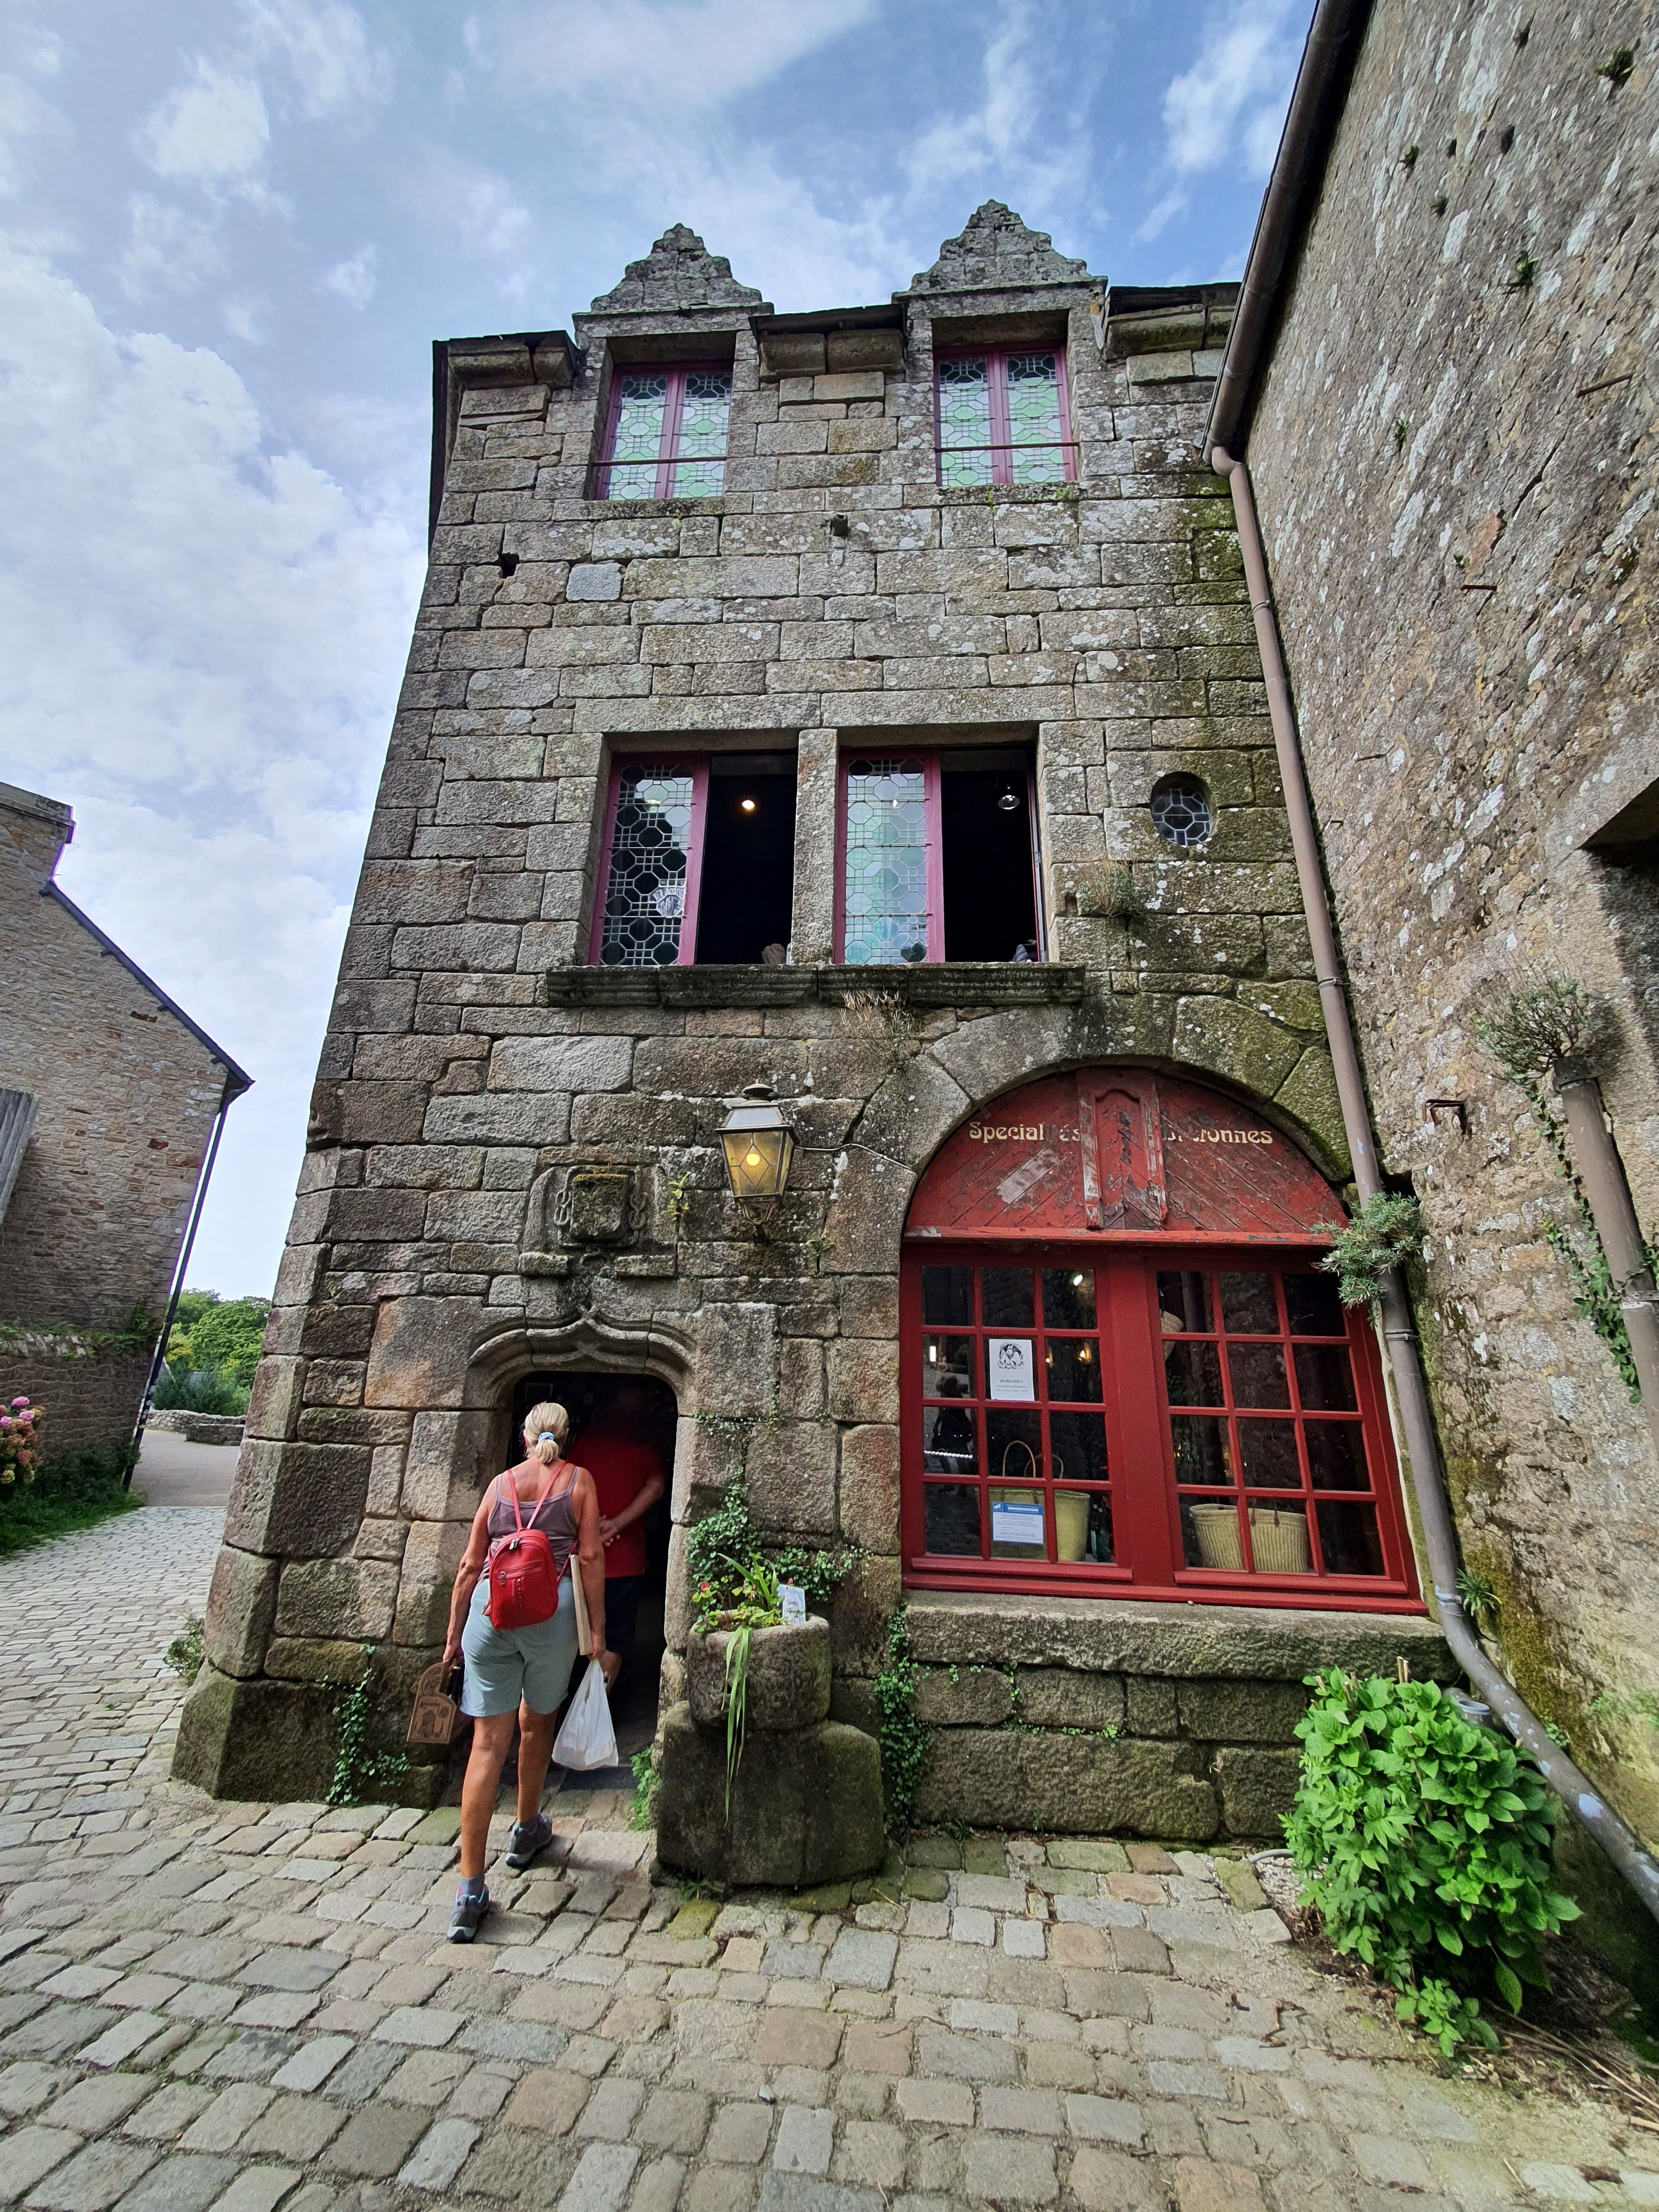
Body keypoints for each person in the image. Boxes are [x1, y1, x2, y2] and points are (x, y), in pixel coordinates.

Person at [440, 1401, 605, 1942]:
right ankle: (527, 1827)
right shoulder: (579, 1482)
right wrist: (597, 1631)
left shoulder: (499, 1485)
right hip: (550, 1615)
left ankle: (469, 1890)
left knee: (486, 1744)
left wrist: (454, 1633)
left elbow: (470, 1564)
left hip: (491, 1613)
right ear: (567, 1435)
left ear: (524, 1437)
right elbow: (589, 1558)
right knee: (537, 1722)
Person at [575, 1379, 667, 1688]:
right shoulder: (646, 1441)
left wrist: (588, 1527)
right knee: (613, 1638)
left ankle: (566, 1705)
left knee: (574, 1632)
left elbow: (564, 1484)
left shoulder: (588, 1438)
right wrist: (616, 1525)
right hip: (625, 1555)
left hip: (582, 1553)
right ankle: (597, 1708)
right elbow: (656, 1486)